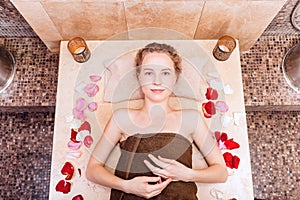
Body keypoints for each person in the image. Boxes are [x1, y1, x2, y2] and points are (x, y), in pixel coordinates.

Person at [86, 42, 228, 199]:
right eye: (148, 73)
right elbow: (92, 170)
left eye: (166, 73)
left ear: (175, 78)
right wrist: (127, 186)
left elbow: (221, 172)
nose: (157, 81)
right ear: (139, 77)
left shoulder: (191, 118)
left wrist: (187, 174)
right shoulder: (121, 118)